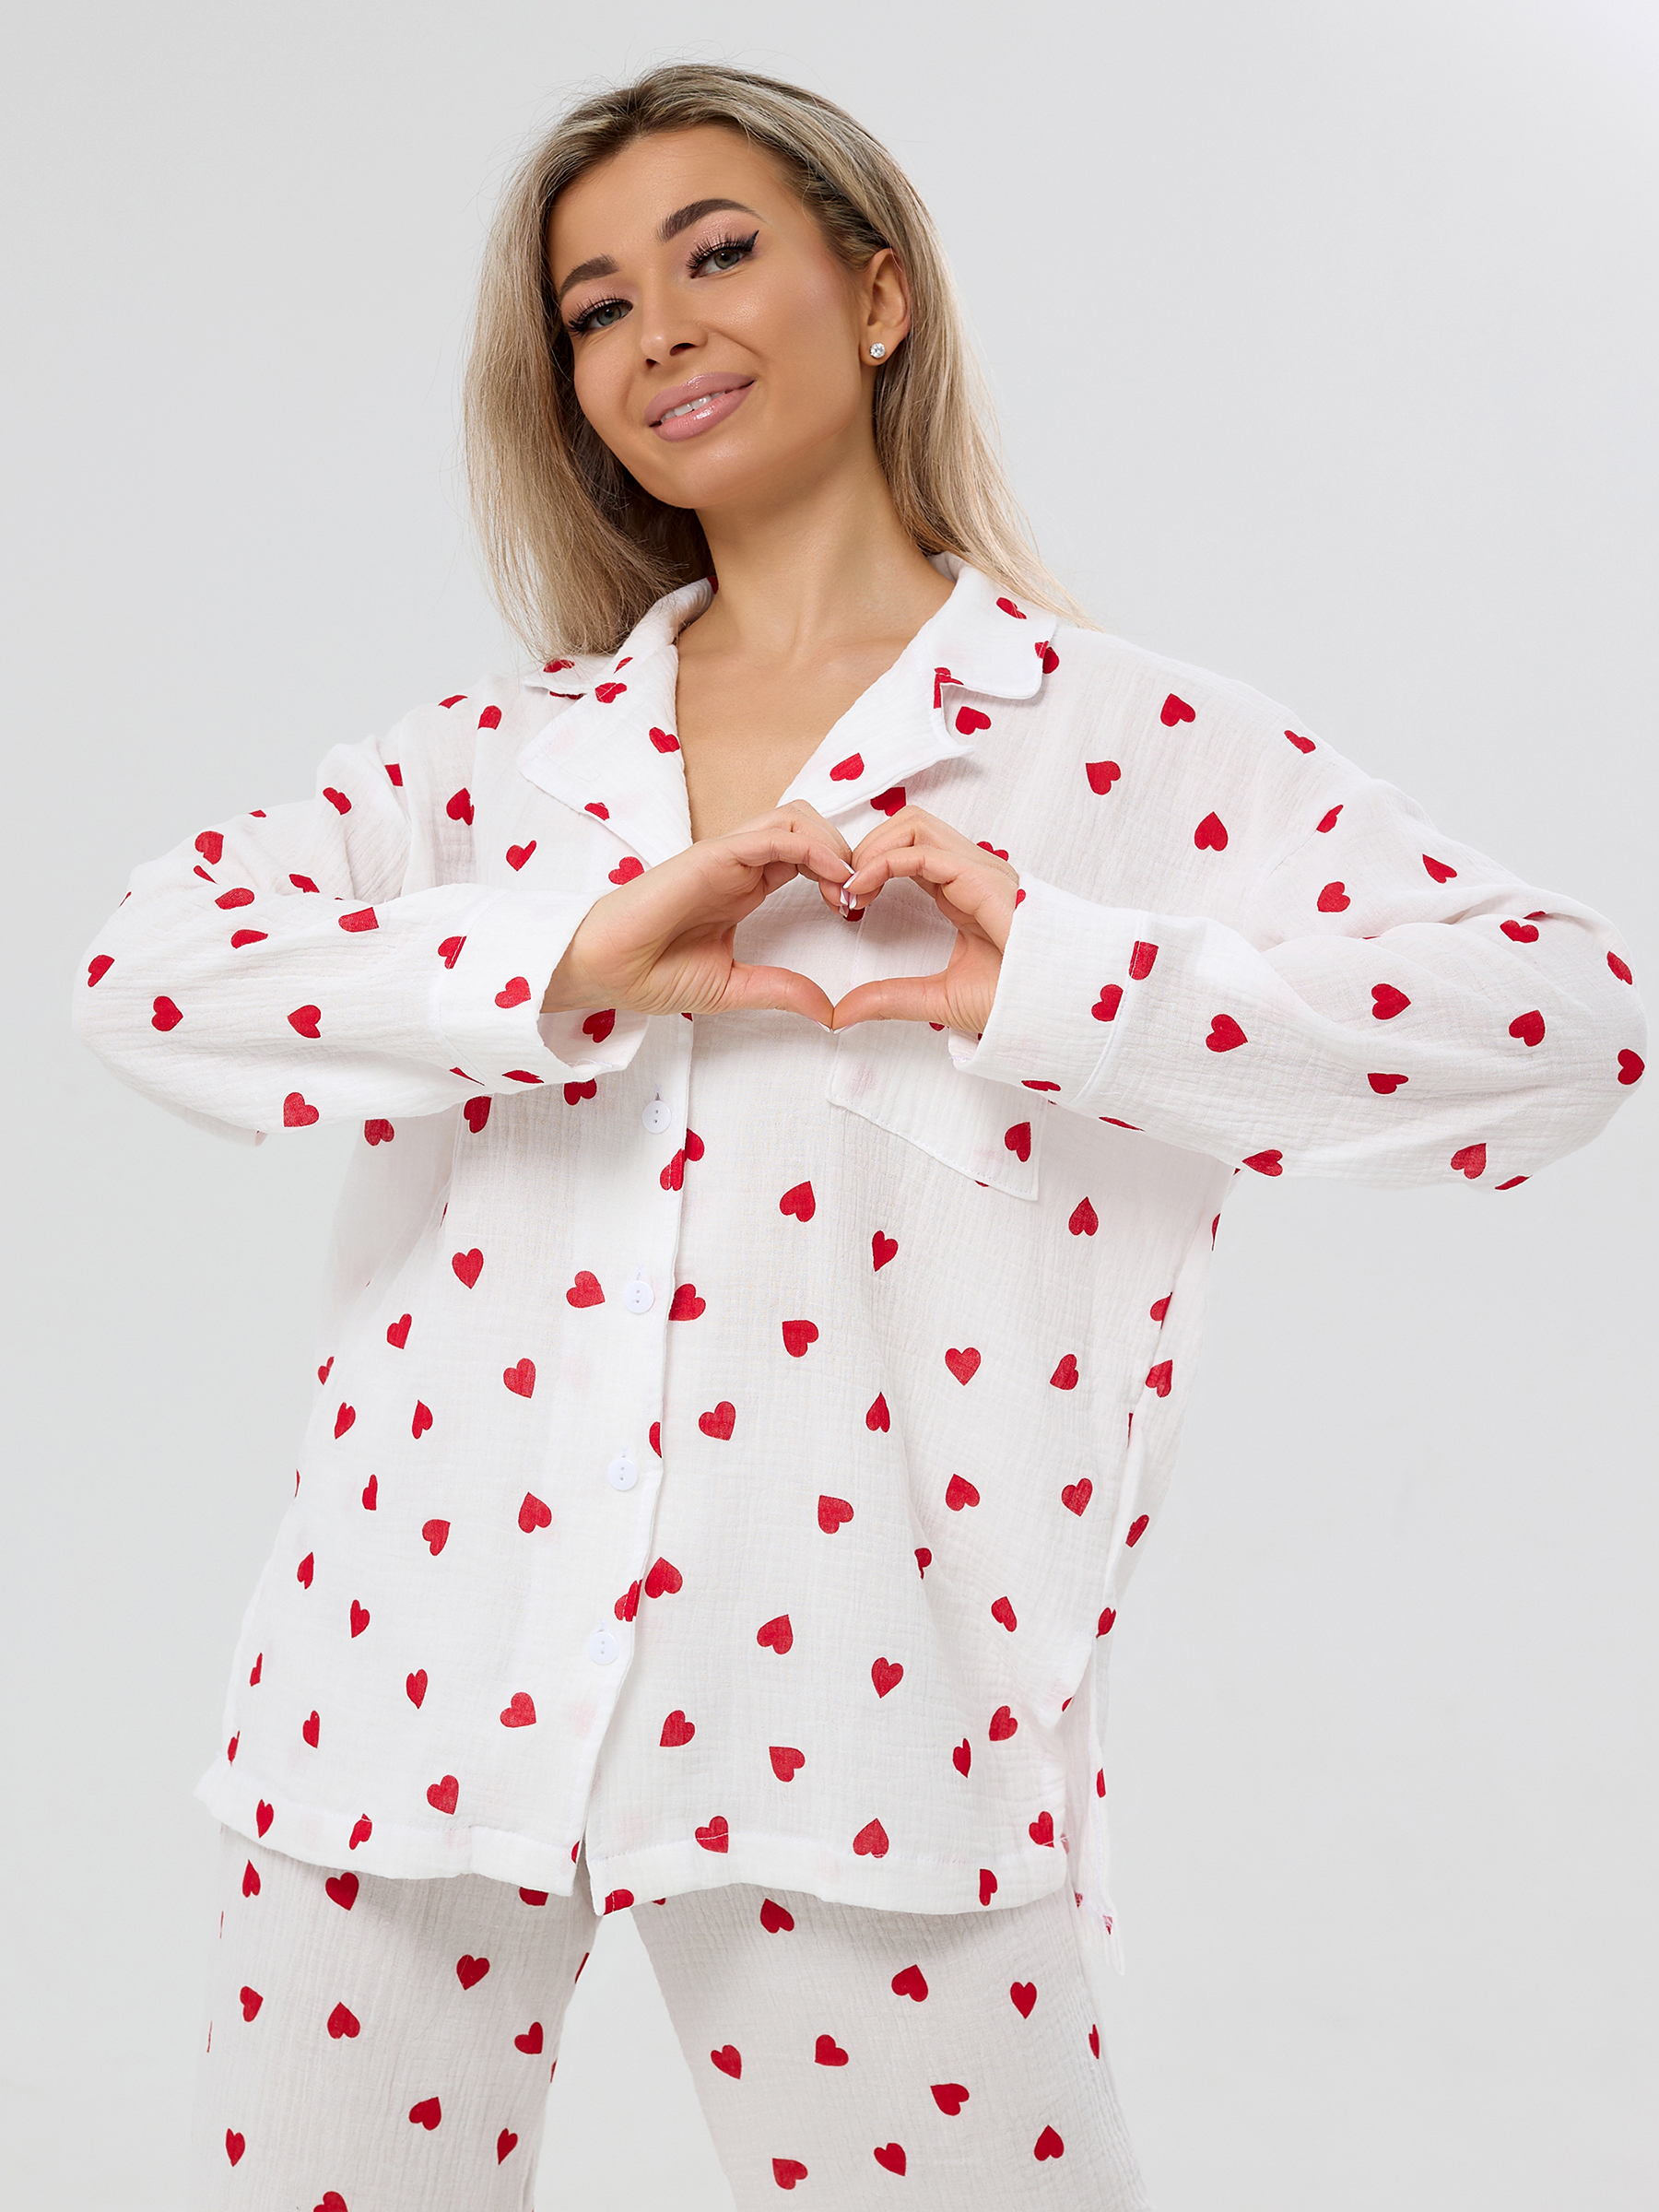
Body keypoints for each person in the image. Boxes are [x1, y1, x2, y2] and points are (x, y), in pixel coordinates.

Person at [71, 60, 1644, 2212]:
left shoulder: (1118, 752)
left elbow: (1568, 1019)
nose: (658, 332)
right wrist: (568, 960)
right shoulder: (493, 768)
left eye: (716, 253)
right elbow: (147, 975)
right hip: (402, 1692)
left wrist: (1071, 993)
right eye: (596, 308)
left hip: (865, 1726)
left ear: (878, 292)